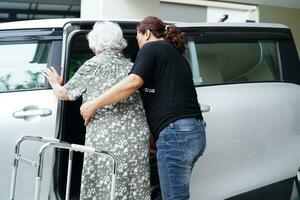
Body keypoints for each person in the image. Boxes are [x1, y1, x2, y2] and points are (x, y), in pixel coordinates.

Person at [80, 16, 206, 200]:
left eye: (138, 38)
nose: (138, 44)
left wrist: (93, 104)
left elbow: (132, 82)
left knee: (174, 197)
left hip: (176, 135)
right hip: (196, 134)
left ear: (146, 33)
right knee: (170, 193)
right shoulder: (175, 56)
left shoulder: (151, 47)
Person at [44, 21, 150, 200]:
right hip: (136, 139)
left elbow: (64, 94)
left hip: (106, 138)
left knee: (106, 185)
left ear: (95, 44)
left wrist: (54, 82)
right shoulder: (133, 67)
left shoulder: (93, 65)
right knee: (133, 186)